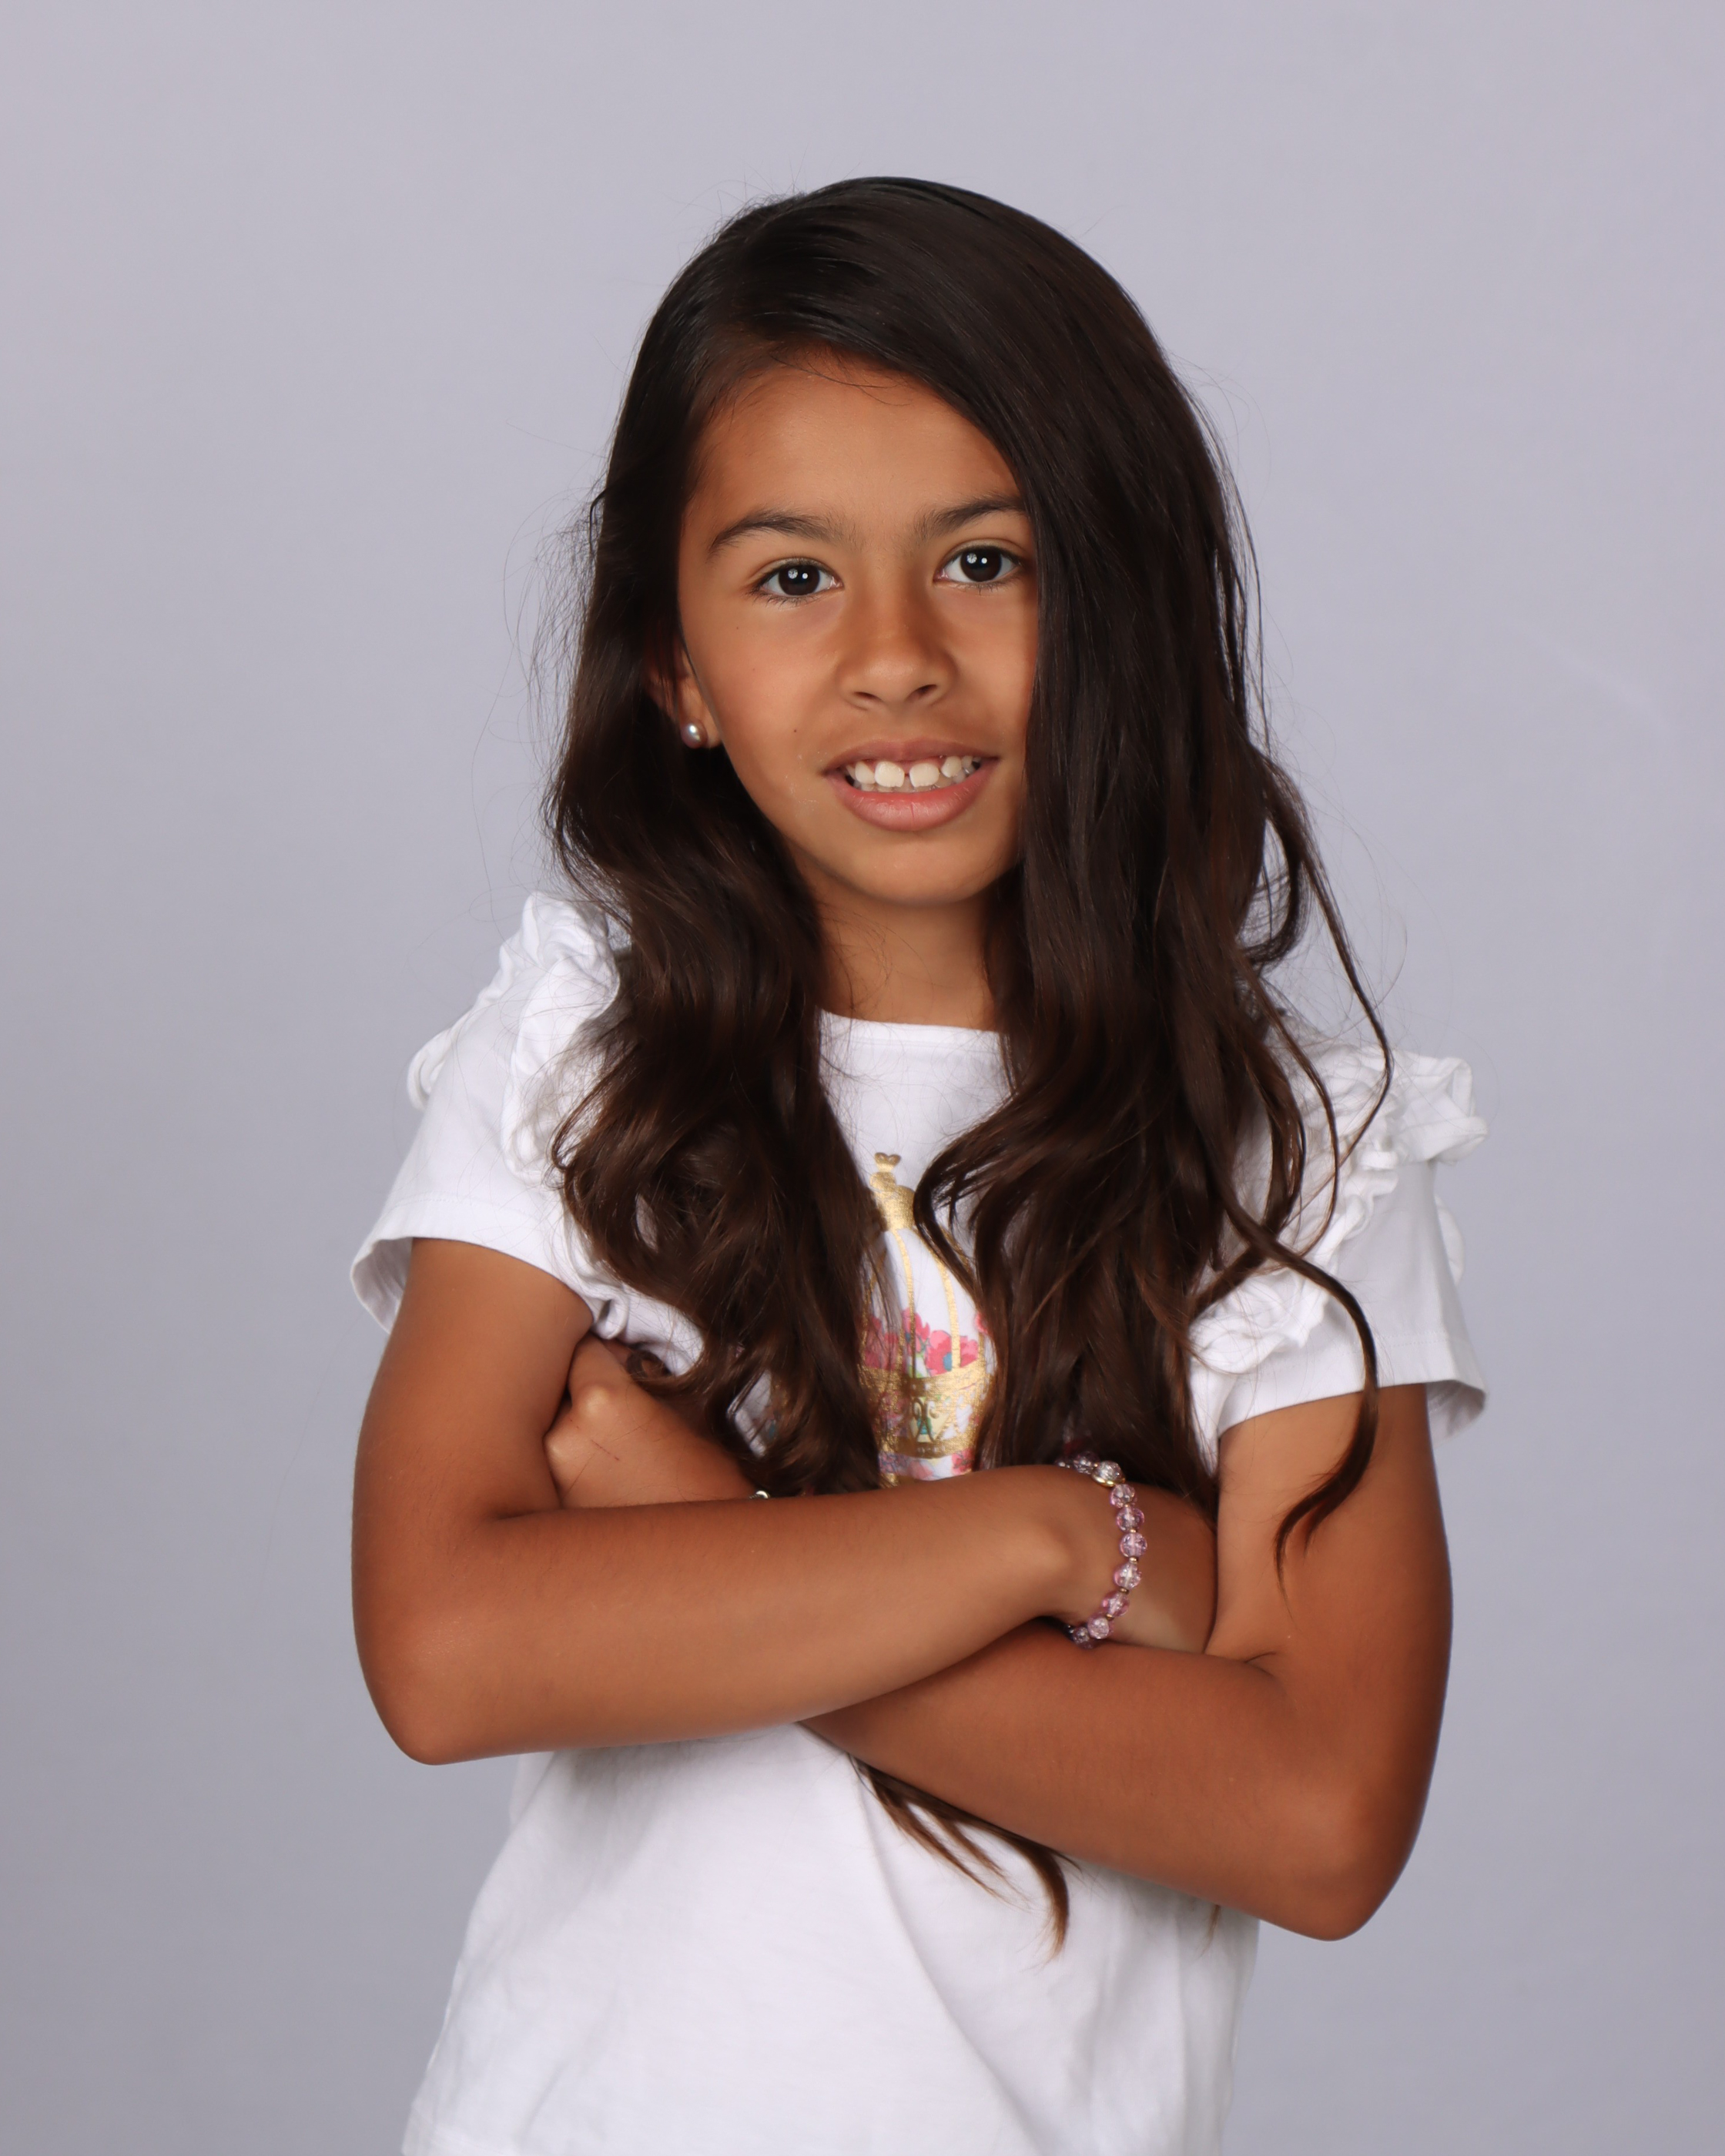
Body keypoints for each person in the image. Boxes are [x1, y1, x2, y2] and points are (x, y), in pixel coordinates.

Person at [350, 178, 1486, 2156]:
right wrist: (1067, 1544)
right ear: (674, 663)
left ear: (1125, 612)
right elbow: (447, 1652)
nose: (893, 657)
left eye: (985, 561)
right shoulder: (580, 1060)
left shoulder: (1297, 1153)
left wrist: (709, 1541)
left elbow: (1317, 1817)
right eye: (792, 576)